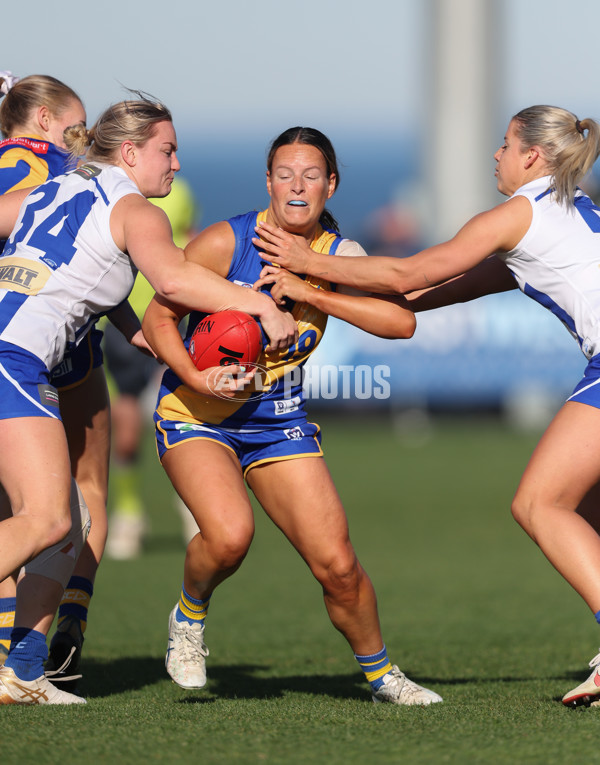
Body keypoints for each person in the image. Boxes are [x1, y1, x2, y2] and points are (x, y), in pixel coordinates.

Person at [254, 107, 600, 708]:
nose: (495, 155)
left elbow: (410, 268)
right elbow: (417, 292)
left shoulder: (520, 213)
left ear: (532, 157)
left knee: (540, 502)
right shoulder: (573, 209)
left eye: (504, 143)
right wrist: (326, 288)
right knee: (586, 506)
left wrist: (308, 265)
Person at [0, 94, 297, 705]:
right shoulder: (135, 209)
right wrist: (260, 304)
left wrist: (185, 365)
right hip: (13, 362)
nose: (178, 163)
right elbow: (174, 280)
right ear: (131, 152)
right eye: (168, 149)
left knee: (68, 523)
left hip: (15, 356)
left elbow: (107, 298)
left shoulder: (58, 185)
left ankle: (22, 671)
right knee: (51, 518)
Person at [142, 126, 443, 707]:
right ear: (268, 181)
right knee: (230, 537)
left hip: (278, 420)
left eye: (311, 176)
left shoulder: (340, 255)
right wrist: (197, 372)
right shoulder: (227, 242)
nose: (297, 187)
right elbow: (157, 320)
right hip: (196, 413)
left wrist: (311, 285)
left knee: (339, 567)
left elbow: (401, 323)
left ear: (331, 185)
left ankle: (383, 678)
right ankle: (189, 617)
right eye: (285, 174)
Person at [0, 71, 150, 692]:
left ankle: (18, 665)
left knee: (27, 512)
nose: (81, 136)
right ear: (41, 120)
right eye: (75, 124)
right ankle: (50, 645)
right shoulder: (63, 175)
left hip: (27, 341)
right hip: (46, 350)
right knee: (71, 506)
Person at [103, 175, 200, 560]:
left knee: (182, 417)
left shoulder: (181, 193)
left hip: (171, 319)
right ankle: (128, 514)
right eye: (165, 149)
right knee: (126, 430)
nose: (172, 162)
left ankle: (194, 508)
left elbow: (193, 246)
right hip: (122, 323)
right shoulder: (110, 193)